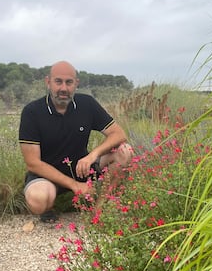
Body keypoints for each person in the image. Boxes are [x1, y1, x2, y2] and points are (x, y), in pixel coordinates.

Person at [18, 60, 133, 222]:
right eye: (58, 82)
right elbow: (33, 163)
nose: (63, 88)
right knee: (39, 200)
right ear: (48, 82)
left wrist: (92, 156)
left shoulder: (87, 104)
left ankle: (99, 207)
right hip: (47, 175)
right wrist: (74, 185)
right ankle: (51, 207)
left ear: (76, 84)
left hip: (82, 169)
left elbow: (119, 134)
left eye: (69, 82)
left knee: (125, 151)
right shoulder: (32, 112)